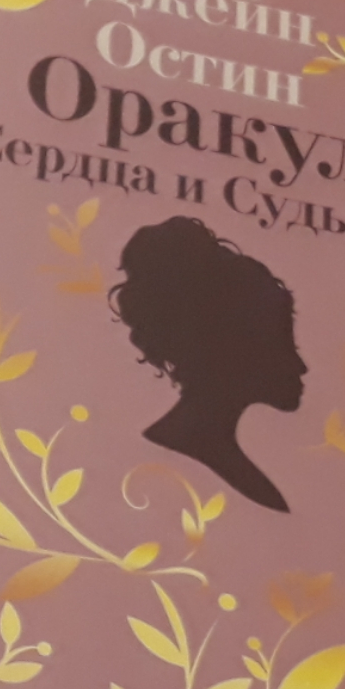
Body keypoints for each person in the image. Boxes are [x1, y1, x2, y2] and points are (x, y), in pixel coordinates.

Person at [108, 215, 307, 512]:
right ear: (232, 350)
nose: (300, 366)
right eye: (280, 345)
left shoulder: (229, 464)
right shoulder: (186, 463)